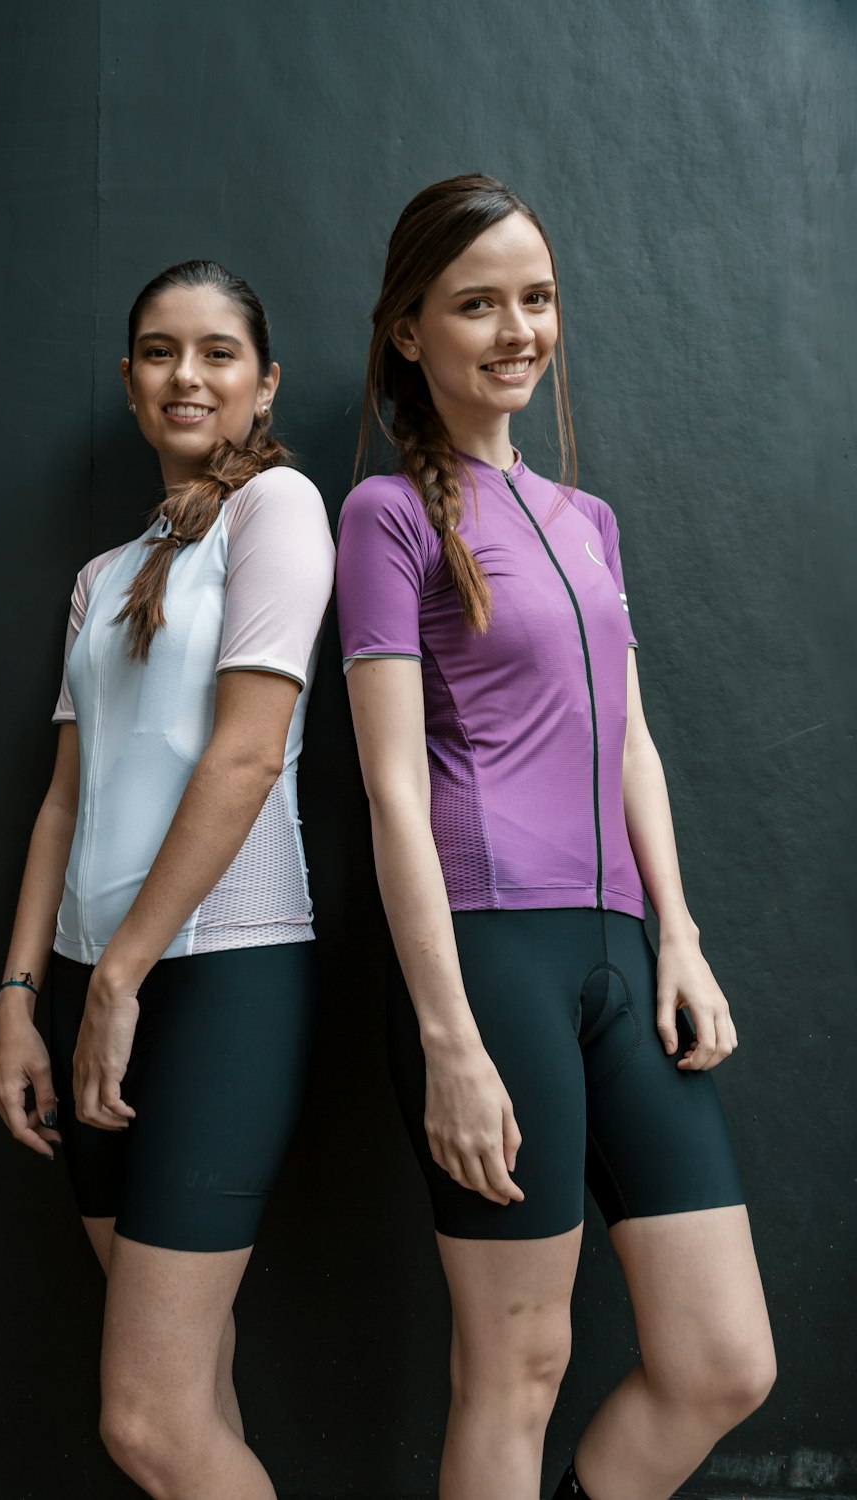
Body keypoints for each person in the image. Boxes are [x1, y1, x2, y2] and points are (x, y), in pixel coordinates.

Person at [335, 175, 775, 1500]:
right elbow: (394, 792)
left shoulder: (589, 524)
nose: (517, 328)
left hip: (623, 958)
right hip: (489, 961)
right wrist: (447, 1040)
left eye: (537, 299)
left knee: (722, 1362)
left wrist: (680, 939)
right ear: (410, 331)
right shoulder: (387, 516)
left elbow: (633, 741)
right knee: (516, 1371)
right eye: (478, 304)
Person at [0, 259, 335, 1500]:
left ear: (263, 380)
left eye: (216, 352)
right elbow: (64, 803)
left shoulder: (279, 509)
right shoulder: (98, 575)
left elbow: (245, 755)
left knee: (141, 1422)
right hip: (94, 990)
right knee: (191, 1398)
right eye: (155, 350)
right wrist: (23, 997)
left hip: (220, 984)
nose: (185, 375)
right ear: (131, 380)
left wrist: (123, 974)